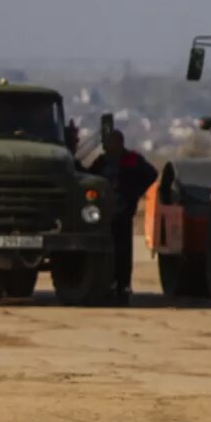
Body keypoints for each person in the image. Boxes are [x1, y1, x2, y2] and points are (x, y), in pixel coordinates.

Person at [89, 114, 159, 301]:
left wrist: (135, 191)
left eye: (109, 142)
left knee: (123, 250)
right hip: (104, 213)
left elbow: (152, 174)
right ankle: (108, 283)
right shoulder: (102, 161)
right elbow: (89, 177)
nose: (105, 146)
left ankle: (123, 284)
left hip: (123, 211)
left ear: (118, 143)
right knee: (106, 251)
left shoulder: (132, 160)